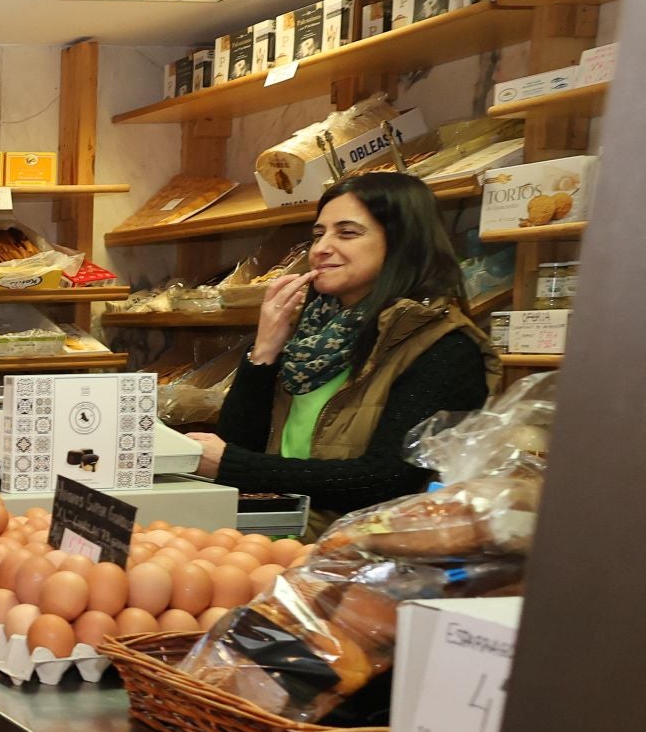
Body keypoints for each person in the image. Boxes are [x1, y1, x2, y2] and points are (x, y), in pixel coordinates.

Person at [187, 171, 499, 536]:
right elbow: (243, 443)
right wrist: (265, 349)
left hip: (362, 556)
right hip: (283, 541)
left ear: (402, 243)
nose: (320, 248)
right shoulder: (311, 337)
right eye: (318, 234)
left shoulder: (444, 347)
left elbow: (388, 478)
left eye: (347, 233)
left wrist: (234, 465)